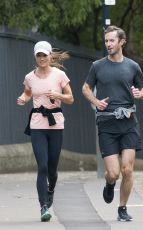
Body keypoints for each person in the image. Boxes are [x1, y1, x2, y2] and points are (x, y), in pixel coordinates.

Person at [82, 25, 143, 221]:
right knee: (113, 173)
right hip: (107, 125)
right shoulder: (97, 66)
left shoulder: (132, 66)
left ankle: (122, 208)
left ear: (122, 42)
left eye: (112, 40)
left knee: (127, 169)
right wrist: (95, 101)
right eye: (106, 41)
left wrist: (141, 93)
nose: (108, 44)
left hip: (128, 123)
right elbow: (86, 88)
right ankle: (110, 184)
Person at [17, 41, 74, 222]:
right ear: (35, 57)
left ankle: (51, 188)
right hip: (37, 125)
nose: (42, 58)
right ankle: (43, 207)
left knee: (52, 169)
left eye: (44, 55)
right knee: (42, 166)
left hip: (55, 124)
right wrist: (23, 98)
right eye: (38, 55)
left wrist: (58, 96)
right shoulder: (30, 77)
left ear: (50, 56)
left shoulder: (60, 75)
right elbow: (27, 92)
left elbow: (70, 99)